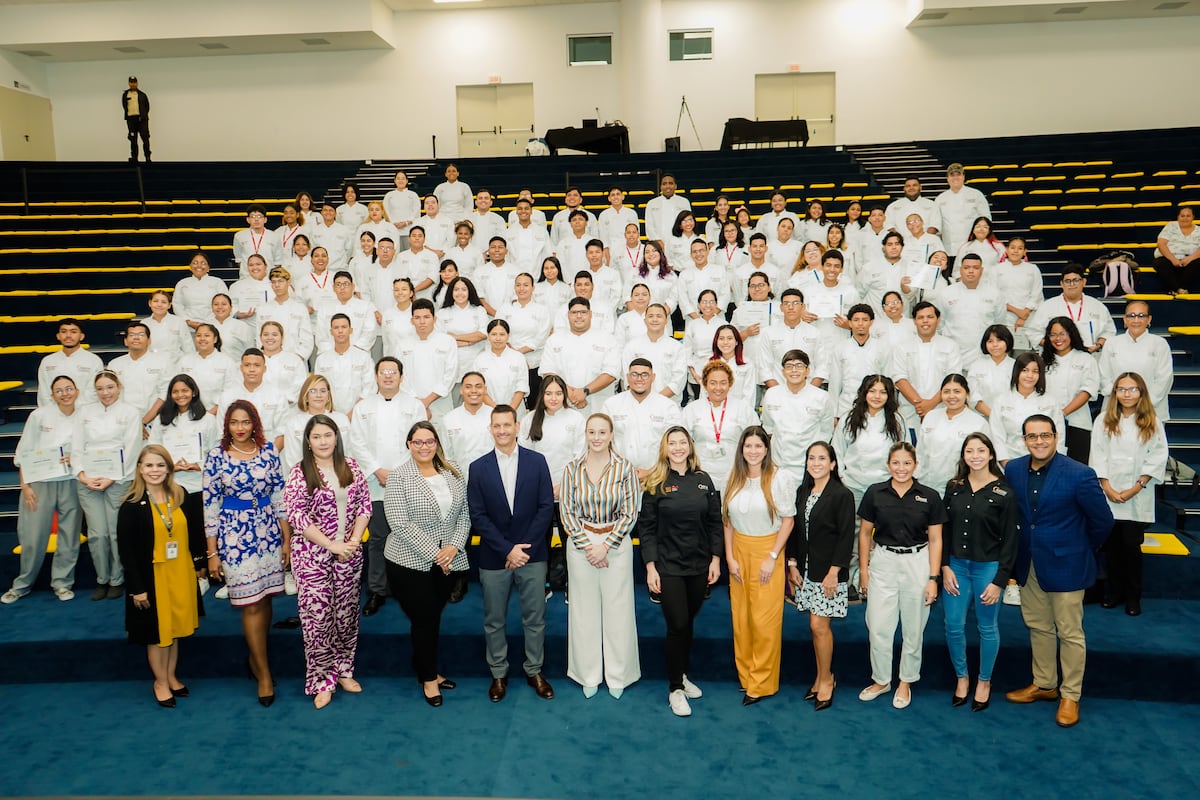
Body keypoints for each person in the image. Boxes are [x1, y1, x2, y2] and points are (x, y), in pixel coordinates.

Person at [1003, 415, 1113, 728]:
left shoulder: (1079, 474)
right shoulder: (1012, 469)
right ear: (1024, 439)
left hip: (1068, 563)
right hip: (1029, 562)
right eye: (1032, 436)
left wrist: (1079, 549)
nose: (1039, 441)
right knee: (1037, 625)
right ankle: (1045, 684)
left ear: (1056, 436)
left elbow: (1102, 522)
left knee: (1069, 631)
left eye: (1045, 435)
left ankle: (1070, 695)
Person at [203, 400, 291, 707]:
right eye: (234, 423)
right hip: (234, 534)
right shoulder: (216, 455)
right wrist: (212, 551)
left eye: (245, 422)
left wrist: (286, 537)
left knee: (266, 597)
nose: (240, 428)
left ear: (255, 423)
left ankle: (257, 659)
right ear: (226, 425)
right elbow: (210, 504)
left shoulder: (268, 451)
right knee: (250, 602)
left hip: (267, 528)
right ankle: (264, 674)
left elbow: (279, 493)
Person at [468, 405, 557, 703]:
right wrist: (507, 549)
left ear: (517, 426)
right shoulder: (477, 467)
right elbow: (477, 515)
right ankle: (498, 673)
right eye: (497, 426)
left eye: (508, 425)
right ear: (490, 429)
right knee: (494, 619)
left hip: (533, 554)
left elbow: (546, 507)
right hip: (495, 557)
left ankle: (534, 670)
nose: (503, 430)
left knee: (535, 617)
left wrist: (522, 549)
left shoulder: (537, 462)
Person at [284, 415, 371, 709]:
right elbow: (297, 516)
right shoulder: (299, 473)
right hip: (312, 556)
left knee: (346, 615)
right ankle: (322, 679)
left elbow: (364, 507)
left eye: (328, 435)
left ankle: (344, 669)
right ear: (308, 441)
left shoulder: (352, 468)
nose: (323, 441)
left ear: (336, 437)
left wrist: (353, 542)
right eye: (316, 436)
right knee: (318, 620)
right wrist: (330, 544)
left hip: (348, 553)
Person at [381, 421, 469, 706]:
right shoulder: (399, 477)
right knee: (423, 619)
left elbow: (464, 515)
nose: (424, 447)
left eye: (429, 441)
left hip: (447, 560)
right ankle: (429, 679)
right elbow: (399, 523)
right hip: (409, 563)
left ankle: (425, 668)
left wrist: (453, 547)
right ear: (409, 444)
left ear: (437, 443)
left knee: (432, 618)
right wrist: (438, 554)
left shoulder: (452, 470)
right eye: (417, 442)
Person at [639, 427, 723, 717]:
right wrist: (651, 567)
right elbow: (646, 528)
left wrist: (715, 559)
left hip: (699, 565)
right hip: (669, 566)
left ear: (690, 446)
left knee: (687, 622)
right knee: (677, 624)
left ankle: (683, 675)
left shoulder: (703, 480)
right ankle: (675, 687)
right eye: (671, 443)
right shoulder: (655, 482)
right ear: (665, 448)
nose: (677, 448)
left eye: (681, 443)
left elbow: (715, 522)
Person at [857, 442, 946, 709]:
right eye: (896, 463)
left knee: (913, 627)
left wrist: (933, 578)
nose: (901, 468)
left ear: (915, 465)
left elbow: (936, 539)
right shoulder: (875, 493)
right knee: (879, 626)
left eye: (907, 463)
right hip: (883, 561)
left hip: (917, 563)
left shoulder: (929, 496)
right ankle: (882, 680)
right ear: (888, 465)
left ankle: (906, 680)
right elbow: (863, 534)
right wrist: (863, 570)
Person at [116, 444, 206, 707]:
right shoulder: (131, 505)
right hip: (151, 578)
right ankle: (160, 682)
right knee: (158, 633)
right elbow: (127, 552)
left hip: (180, 573)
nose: (155, 470)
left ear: (169, 468)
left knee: (175, 629)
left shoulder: (181, 496)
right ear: (140, 470)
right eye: (149, 465)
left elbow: (195, 533)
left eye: (160, 465)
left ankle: (171, 675)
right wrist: (136, 588)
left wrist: (199, 563)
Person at [559, 412, 641, 698]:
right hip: (581, 543)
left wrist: (605, 546)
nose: (596, 437)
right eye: (591, 432)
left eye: (602, 432)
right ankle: (588, 674)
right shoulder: (572, 469)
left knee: (619, 610)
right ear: (585, 435)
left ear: (611, 435)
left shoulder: (625, 469)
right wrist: (588, 545)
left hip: (615, 544)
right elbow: (566, 513)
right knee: (583, 611)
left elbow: (631, 512)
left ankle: (619, 674)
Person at [941, 433, 1018, 712]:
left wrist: (1000, 581)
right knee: (952, 624)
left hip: (988, 568)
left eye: (981, 450)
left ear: (991, 455)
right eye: (969, 451)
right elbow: (944, 529)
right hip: (956, 566)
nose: (975, 456)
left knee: (987, 626)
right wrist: (944, 566)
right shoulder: (954, 487)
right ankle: (962, 678)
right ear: (963, 456)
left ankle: (984, 681)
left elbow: (1011, 540)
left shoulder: (1005, 492)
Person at [722, 426, 794, 704]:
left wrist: (773, 556)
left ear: (766, 449)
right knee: (742, 619)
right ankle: (746, 675)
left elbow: (788, 520)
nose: (753, 451)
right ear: (741, 450)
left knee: (764, 621)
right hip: (739, 550)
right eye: (748, 446)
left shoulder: (779, 477)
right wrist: (729, 557)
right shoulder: (735, 479)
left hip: (768, 551)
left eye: (758, 446)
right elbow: (727, 521)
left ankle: (762, 683)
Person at [353, 357, 428, 616]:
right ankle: (376, 590)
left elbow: (422, 441)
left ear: (401, 376)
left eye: (392, 372)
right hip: (375, 481)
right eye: (383, 372)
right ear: (375, 376)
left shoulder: (415, 406)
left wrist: (397, 473)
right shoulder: (363, 408)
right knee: (378, 538)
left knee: (411, 535)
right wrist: (377, 469)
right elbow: (357, 442)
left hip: (408, 479)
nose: (388, 376)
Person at [1090, 373, 1168, 617]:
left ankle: (1133, 597)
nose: (1127, 394)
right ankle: (1114, 593)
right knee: (1112, 547)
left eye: (1132, 389)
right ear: (1114, 393)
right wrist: (1108, 487)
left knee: (1131, 547)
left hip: (1137, 494)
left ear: (1141, 392)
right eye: (1121, 389)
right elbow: (1098, 454)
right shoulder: (1103, 419)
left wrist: (1137, 486)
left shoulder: (1152, 421)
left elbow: (1157, 455)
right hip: (1109, 492)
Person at [786, 441, 855, 712]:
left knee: (818, 626)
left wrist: (834, 572)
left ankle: (827, 679)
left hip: (828, 573)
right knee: (815, 627)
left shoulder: (841, 494)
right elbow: (793, 530)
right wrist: (791, 563)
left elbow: (846, 535)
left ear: (833, 464)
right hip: (805, 569)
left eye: (822, 458)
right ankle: (819, 676)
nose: (816, 463)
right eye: (811, 458)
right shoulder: (803, 491)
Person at [2, 376, 83, 605]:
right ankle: (22, 584)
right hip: (40, 481)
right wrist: (25, 486)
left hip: (71, 481)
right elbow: (24, 452)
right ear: (52, 394)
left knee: (69, 536)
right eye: (59, 390)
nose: (65, 393)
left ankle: (62, 583)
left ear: (77, 391)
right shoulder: (39, 416)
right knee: (32, 536)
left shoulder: (85, 416)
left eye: (69, 388)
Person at [74, 370, 143, 600]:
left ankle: (117, 579)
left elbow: (132, 447)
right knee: (97, 534)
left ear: (119, 387)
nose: (105, 393)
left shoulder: (130, 412)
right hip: (89, 481)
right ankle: (101, 578)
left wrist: (113, 477)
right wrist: (82, 475)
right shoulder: (84, 412)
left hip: (118, 480)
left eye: (110, 387)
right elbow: (76, 446)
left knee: (115, 533)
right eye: (100, 388)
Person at [519, 374, 586, 595]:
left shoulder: (575, 418)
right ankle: (544, 582)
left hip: (570, 491)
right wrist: (542, 488)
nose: (554, 398)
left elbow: (580, 456)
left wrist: (562, 485)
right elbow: (524, 456)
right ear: (542, 395)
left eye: (558, 393)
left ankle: (570, 583)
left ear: (564, 395)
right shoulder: (530, 420)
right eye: (549, 393)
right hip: (538, 492)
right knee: (541, 539)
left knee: (570, 540)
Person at [759, 349, 833, 482]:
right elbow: (768, 429)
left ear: (807, 371)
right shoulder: (772, 394)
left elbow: (826, 433)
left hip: (810, 468)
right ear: (783, 372)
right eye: (789, 366)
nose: (794, 370)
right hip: (779, 466)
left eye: (799, 366)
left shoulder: (822, 397)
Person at [683, 360, 759, 489]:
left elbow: (757, 442)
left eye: (723, 383)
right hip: (700, 475)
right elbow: (681, 443)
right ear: (705, 384)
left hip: (736, 475)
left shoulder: (743, 409)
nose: (718, 388)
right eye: (713, 383)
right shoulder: (691, 409)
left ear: (730, 384)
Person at [540, 297, 620, 415]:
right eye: (574, 312)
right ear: (568, 315)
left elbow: (611, 373)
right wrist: (572, 394)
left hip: (599, 405)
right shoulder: (554, 340)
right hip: (564, 403)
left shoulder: (607, 339)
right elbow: (548, 371)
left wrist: (585, 391)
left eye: (583, 312)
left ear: (591, 314)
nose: (579, 316)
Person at [1098, 300, 1174, 422]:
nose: (1136, 320)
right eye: (1131, 315)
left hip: (1150, 409)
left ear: (1149, 319)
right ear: (1125, 319)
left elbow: (1164, 379)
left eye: (1141, 316)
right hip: (1115, 409)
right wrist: (1121, 400)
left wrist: (1144, 403)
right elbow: (1104, 376)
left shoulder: (1159, 344)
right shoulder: (1112, 343)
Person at [916, 373, 987, 496]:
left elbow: (984, 460)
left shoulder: (978, 423)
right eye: (946, 391)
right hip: (926, 484)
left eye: (957, 391)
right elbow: (920, 452)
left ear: (967, 394)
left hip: (961, 490)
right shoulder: (931, 416)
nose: (951, 396)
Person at [148, 374, 219, 496]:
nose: (180, 395)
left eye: (185, 390)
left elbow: (216, 450)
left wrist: (199, 465)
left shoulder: (208, 419)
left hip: (199, 484)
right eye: (175, 392)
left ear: (194, 392)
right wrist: (169, 467)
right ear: (170, 395)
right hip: (170, 484)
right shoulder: (161, 419)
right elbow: (153, 450)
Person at [989, 353, 1066, 466]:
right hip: (1010, 461)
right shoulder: (1001, 401)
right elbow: (997, 436)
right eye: (1025, 370)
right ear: (1017, 372)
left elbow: (1059, 436)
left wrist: (1053, 465)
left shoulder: (1050, 402)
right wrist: (1007, 465)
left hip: (1045, 463)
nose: (1030, 375)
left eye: (1035, 371)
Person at [1041, 317, 1100, 463]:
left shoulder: (1086, 359)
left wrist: (1064, 412)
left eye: (1062, 334)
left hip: (1078, 422)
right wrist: (1054, 415)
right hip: (1047, 422)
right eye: (1053, 334)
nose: (1058, 338)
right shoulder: (1042, 361)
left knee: (1077, 467)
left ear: (1071, 334)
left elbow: (1087, 391)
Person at [1027, 264, 1113, 353]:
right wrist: (1054, 347)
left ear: (1084, 282)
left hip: (1090, 356)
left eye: (1076, 280)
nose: (1072, 284)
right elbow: (1033, 333)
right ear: (1062, 284)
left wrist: (1098, 345)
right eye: (1067, 281)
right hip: (1057, 359)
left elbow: (1109, 332)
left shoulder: (1098, 306)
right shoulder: (1047, 306)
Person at [36, 317, 104, 407]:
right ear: (58, 336)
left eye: (73, 332)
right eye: (63, 331)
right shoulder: (47, 361)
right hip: (54, 415)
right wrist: (56, 411)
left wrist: (71, 409)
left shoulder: (94, 361)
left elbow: (93, 392)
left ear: (81, 336)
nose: (68, 335)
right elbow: (44, 393)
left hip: (85, 413)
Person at [935, 164, 991, 258]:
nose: (955, 177)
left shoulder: (976, 195)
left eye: (958, 174)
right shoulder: (940, 199)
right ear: (947, 178)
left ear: (963, 177)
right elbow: (937, 225)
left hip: (973, 248)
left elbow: (986, 220)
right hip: (949, 249)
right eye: (952, 175)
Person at [474, 319, 529, 411]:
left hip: (515, 410)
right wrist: (496, 410)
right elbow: (479, 388)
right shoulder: (480, 359)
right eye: (494, 334)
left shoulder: (518, 357)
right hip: (488, 410)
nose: (498, 338)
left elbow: (521, 387)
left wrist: (510, 411)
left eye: (502, 334)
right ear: (488, 336)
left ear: (508, 336)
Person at [964, 325, 1015, 418]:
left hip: (1009, 417)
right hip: (981, 417)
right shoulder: (976, 365)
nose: (995, 345)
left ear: (1008, 341)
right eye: (990, 341)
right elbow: (973, 395)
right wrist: (994, 416)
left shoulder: (1016, 366)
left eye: (999, 340)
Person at [1151, 204, 1200, 295]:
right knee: (1159, 263)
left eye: (1188, 216)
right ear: (1178, 217)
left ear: (1193, 217)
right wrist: (1173, 259)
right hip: (1170, 259)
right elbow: (1161, 244)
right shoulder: (1171, 226)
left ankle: (1180, 288)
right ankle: (1179, 289)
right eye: (1182, 216)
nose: (1185, 218)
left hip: (1191, 260)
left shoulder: (1199, 230)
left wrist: (1190, 259)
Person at [172, 252, 227, 332]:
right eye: (195, 263)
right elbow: (177, 305)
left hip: (214, 326)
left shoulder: (217, 282)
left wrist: (211, 323)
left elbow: (225, 304)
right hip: (188, 327)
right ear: (190, 266)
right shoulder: (182, 283)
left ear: (208, 267)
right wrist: (188, 321)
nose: (199, 266)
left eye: (203, 263)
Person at [644, 173, 691, 246]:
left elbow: (688, 224)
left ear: (675, 186)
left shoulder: (684, 202)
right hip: (658, 245)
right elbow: (649, 226)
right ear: (661, 187)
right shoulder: (651, 204)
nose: (667, 186)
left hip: (680, 243)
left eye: (670, 183)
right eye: (664, 184)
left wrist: (681, 241)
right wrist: (657, 241)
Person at [121, 76, 150, 163]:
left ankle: (147, 157)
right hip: (131, 120)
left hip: (142, 120)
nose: (133, 84)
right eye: (131, 82)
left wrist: (143, 115)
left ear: (137, 83)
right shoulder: (125, 95)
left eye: (134, 82)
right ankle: (134, 157)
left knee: (145, 138)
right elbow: (124, 106)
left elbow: (147, 107)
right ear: (129, 83)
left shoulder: (142, 95)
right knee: (133, 139)